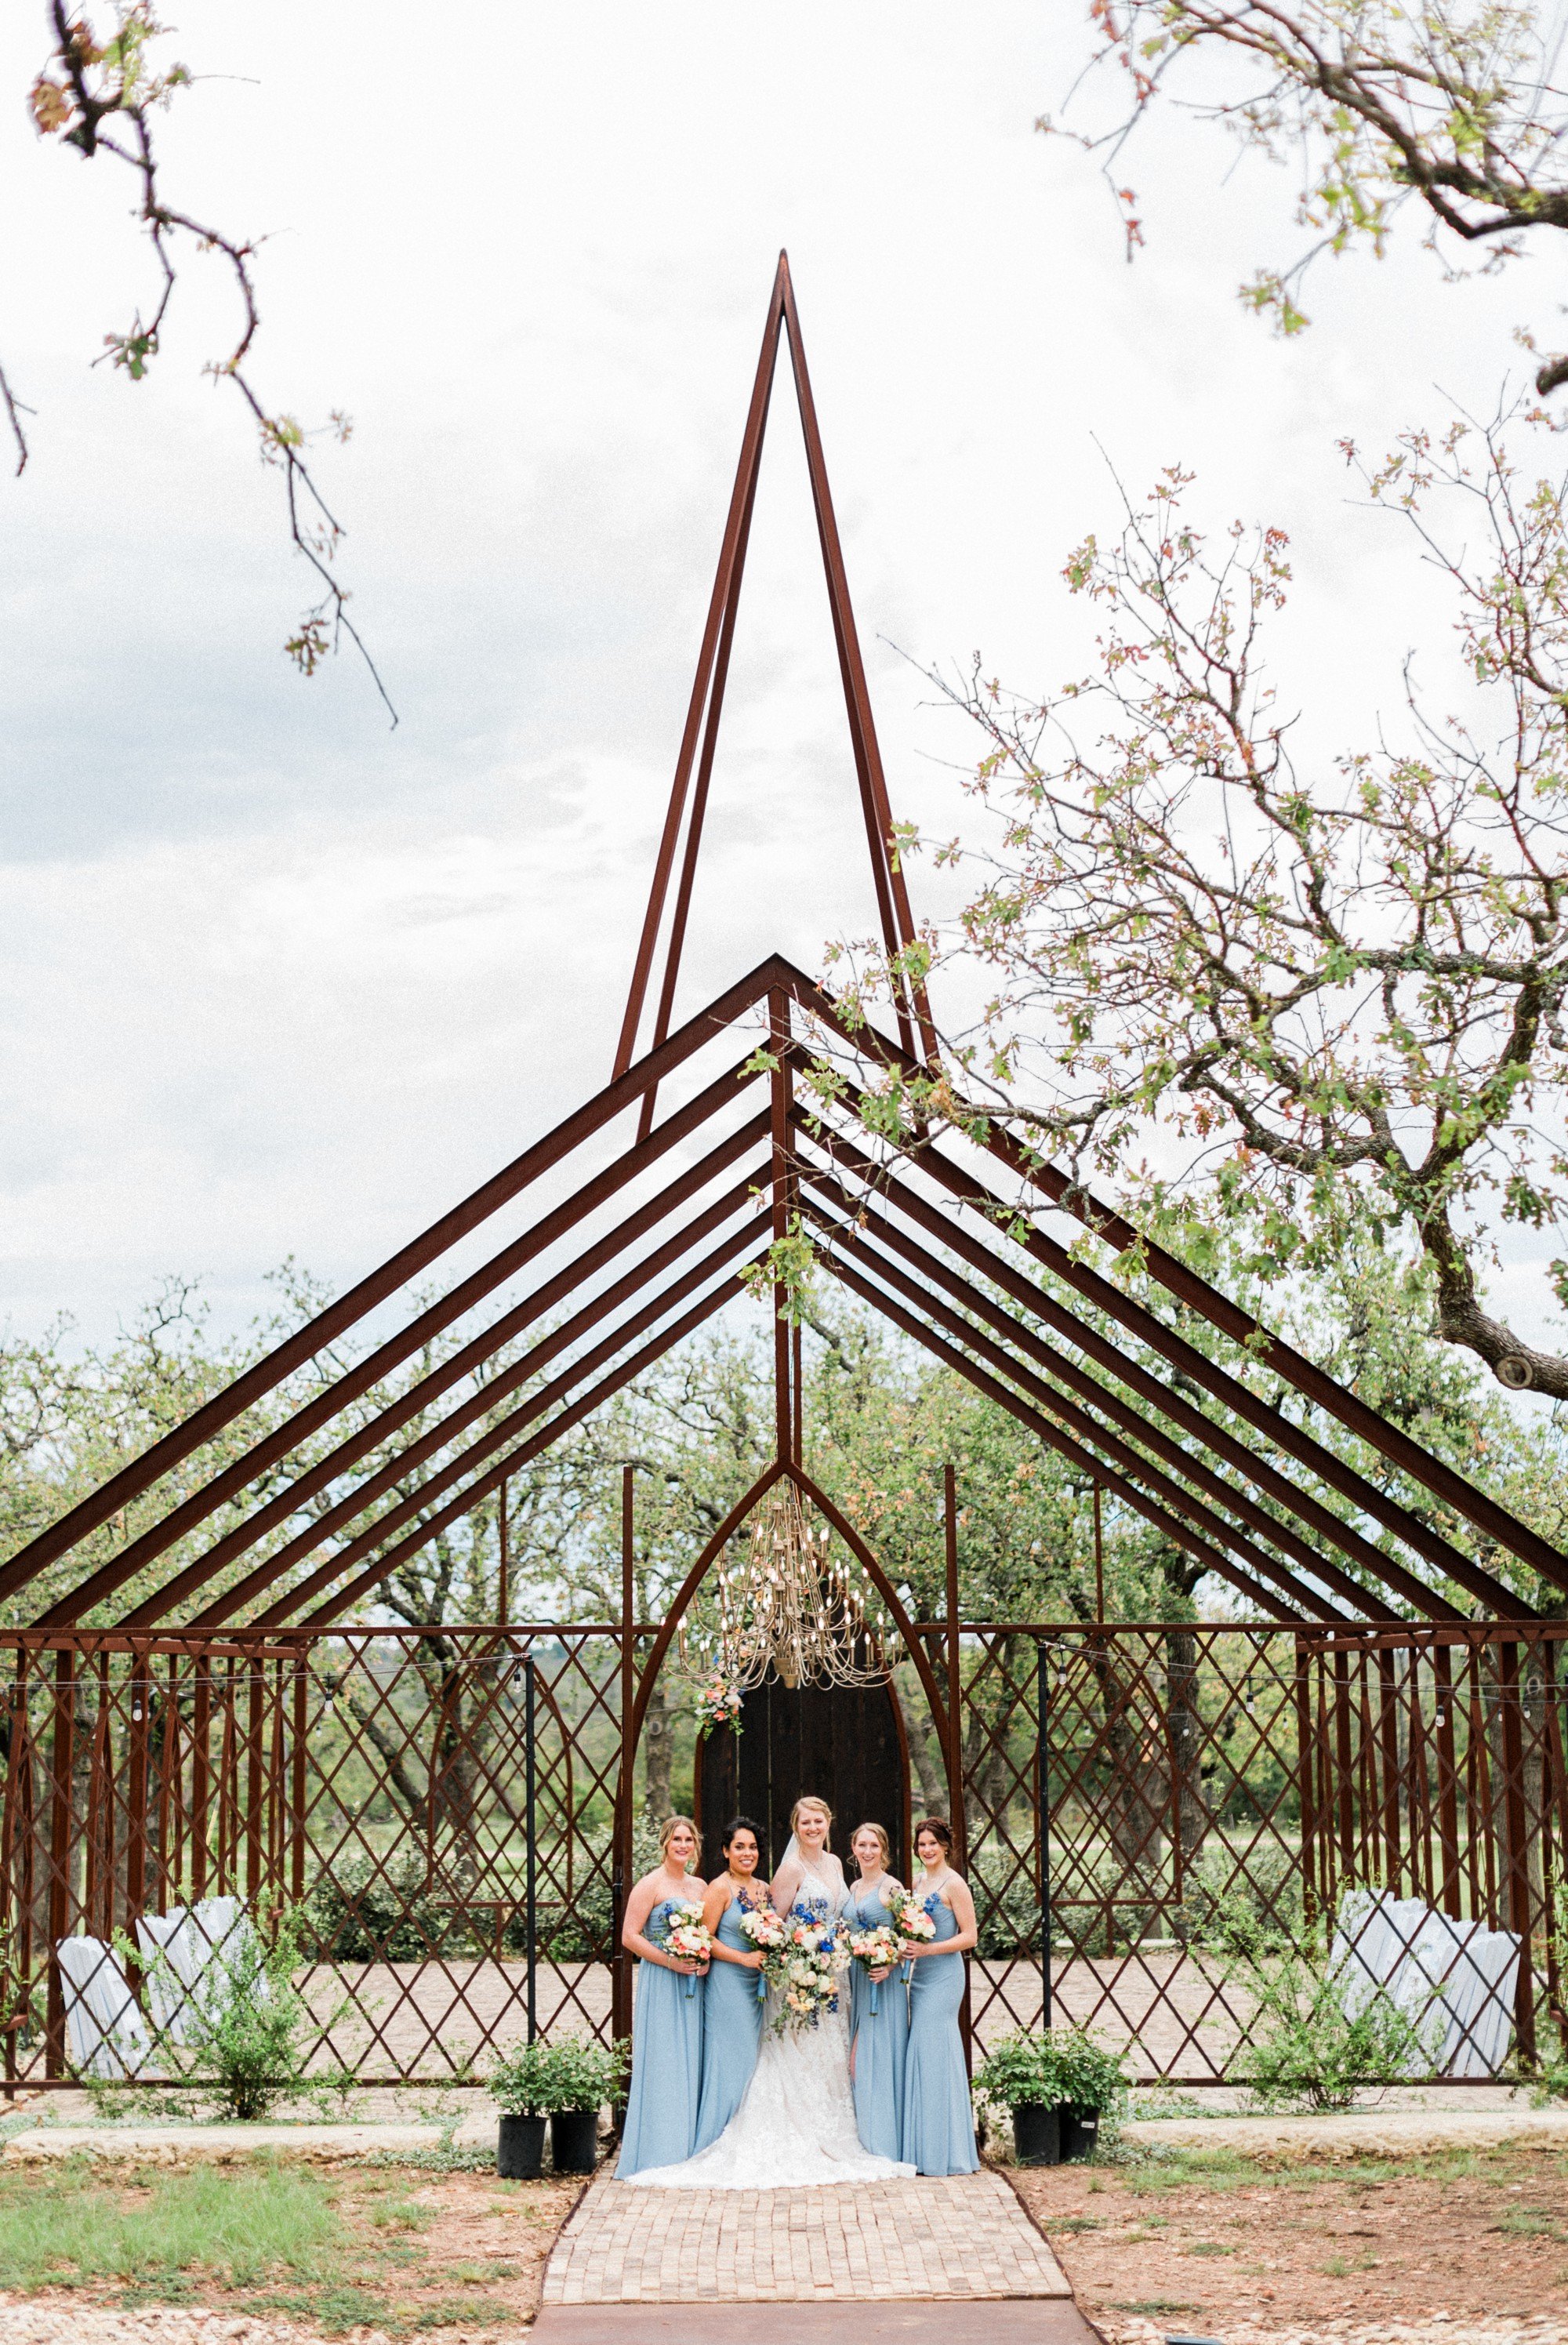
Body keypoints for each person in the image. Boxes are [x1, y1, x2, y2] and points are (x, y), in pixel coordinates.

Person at [619, 1793, 914, 2187]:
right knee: (765, 2057)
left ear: (828, 1823)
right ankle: (715, 2136)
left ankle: (831, 2129)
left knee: (831, 2054)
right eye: (805, 1822)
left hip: (832, 1974)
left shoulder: (829, 1866)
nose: (812, 1828)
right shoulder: (779, 1872)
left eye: (819, 1821)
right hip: (788, 1976)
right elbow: (772, 1927)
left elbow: (777, 1926)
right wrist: (798, 1956)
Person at [616, 1814, 709, 2177]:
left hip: (693, 1982)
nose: (683, 1845)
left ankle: (687, 2144)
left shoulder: (700, 1886)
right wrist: (671, 1962)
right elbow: (630, 1936)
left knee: (691, 2055)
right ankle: (658, 2148)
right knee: (664, 2058)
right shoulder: (650, 1884)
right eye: (677, 1840)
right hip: (662, 1978)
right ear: (665, 1843)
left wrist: (702, 1958)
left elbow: (707, 1932)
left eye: (688, 1840)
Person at [900, 1816, 979, 2175]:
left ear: (946, 1846)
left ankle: (946, 2152)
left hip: (944, 1976)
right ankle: (923, 2146)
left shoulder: (954, 1883)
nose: (927, 1850)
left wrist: (929, 1951)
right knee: (921, 2051)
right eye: (921, 1845)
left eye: (933, 1843)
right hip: (919, 1976)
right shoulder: (917, 1882)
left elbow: (970, 1937)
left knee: (936, 2051)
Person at [691, 1815, 768, 2150]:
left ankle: (745, 2135)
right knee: (730, 2057)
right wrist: (743, 1959)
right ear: (725, 1851)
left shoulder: (763, 1889)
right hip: (728, 1984)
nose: (747, 1853)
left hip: (757, 1986)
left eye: (752, 1847)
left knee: (753, 2057)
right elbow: (704, 1939)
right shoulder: (718, 1888)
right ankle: (715, 2138)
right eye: (739, 1847)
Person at [845, 1820, 909, 2162]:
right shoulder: (854, 1886)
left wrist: (891, 1964)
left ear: (883, 1850)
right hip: (857, 1978)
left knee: (874, 2057)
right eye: (862, 1845)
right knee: (857, 2059)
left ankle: (883, 2144)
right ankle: (866, 2137)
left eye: (874, 1846)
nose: (867, 1852)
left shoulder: (892, 1887)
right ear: (853, 1849)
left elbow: (912, 1934)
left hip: (882, 1982)